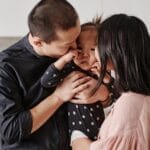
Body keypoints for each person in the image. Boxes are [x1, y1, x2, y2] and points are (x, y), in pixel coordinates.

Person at [0, 0, 95, 149]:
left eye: (76, 39)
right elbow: (10, 130)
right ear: (38, 42)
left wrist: (102, 95)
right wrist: (58, 96)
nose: (75, 48)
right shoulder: (5, 68)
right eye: (67, 45)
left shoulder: (73, 50)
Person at [71, 14, 150, 150]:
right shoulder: (136, 97)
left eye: (96, 46)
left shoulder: (130, 103)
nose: (94, 52)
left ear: (112, 50)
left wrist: (78, 140)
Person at [41, 19, 116, 142]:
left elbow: (116, 95)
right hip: (78, 131)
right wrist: (63, 60)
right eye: (79, 48)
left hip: (104, 130)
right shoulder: (69, 69)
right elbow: (46, 82)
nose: (84, 54)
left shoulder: (103, 70)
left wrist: (107, 79)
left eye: (92, 49)